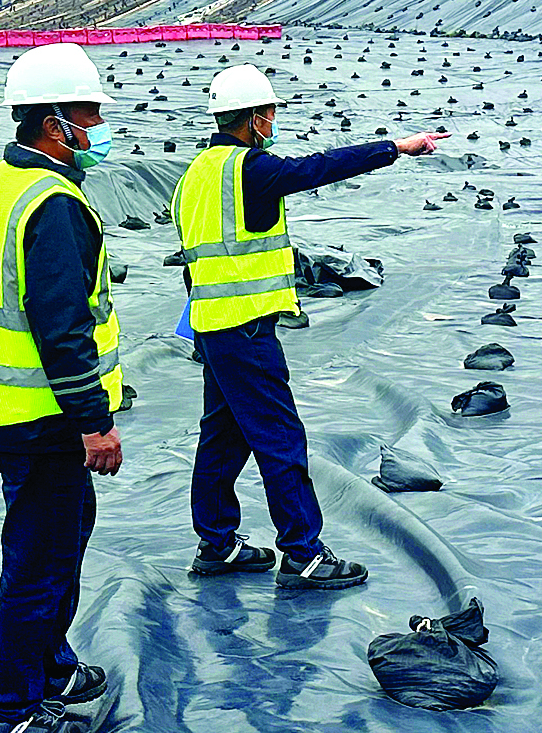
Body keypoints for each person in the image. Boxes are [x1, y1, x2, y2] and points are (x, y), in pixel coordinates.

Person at [175, 62, 444, 591]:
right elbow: (319, 167)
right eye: (269, 113)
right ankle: (303, 554)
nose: (273, 122)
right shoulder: (250, 170)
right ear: (253, 117)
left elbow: (193, 259)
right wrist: (394, 148)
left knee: (223, 438)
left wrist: (203, 328)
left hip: (212, 326)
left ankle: (217, 544)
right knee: (279, 439)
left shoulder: (196, 175)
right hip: (246, 330)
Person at [0, 41, 124, 733]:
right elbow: (61, 325)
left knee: (64, 536)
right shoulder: (52, 204)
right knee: (39, 561)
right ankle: (13, 711)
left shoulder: (0, 184)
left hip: (11, 411)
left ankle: (51, 665)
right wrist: (94, 422)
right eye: (90, 115)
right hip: (44, 417)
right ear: (54, 124)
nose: (100, 128)